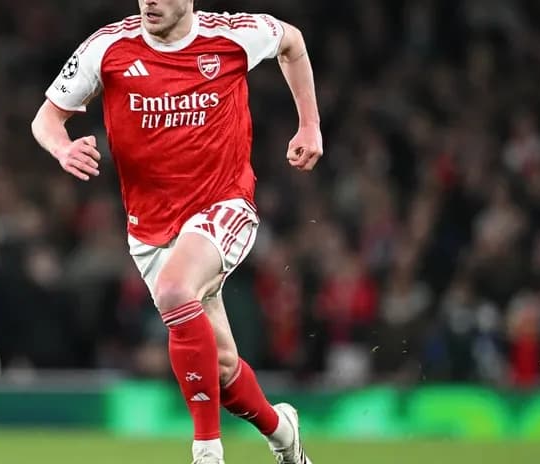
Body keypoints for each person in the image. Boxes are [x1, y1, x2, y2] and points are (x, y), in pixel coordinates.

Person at [31, 1, 322, 462]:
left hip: (224, 205)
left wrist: (309, 124)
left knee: (174, 288)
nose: (151, 2)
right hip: (149, 229)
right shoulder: (108, 47)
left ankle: (207, 451)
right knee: (222, 369)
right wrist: (62, 148)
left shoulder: (232, 36)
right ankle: (282, 430)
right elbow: (46, 118)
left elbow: (293, 42)